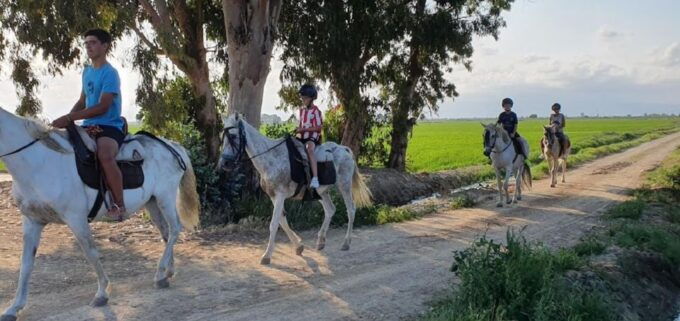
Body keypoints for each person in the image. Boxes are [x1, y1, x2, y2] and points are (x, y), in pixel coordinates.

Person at [51, 29, 126, 221]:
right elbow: (83, 101)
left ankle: (119, 203)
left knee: (105, 155)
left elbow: (103, 106)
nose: (88, 47)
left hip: (109, 126)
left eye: (92, 43)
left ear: (105, 46)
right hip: (88, 125)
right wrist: (68, 118)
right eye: (86, 44)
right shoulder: (87, 71)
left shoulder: (110, 74)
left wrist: (69, 118)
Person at [296, 84, 323, 189]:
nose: (303, 100)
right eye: (302, 98)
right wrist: (298, 131)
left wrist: (304, 130)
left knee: (309, 149)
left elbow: (319, 127)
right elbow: (300, 125)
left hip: (312, 137)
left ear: (312, 98)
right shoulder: (301, 110)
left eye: (305, 98)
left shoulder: (316, 111)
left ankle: (315, 178)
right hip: (302, 136)